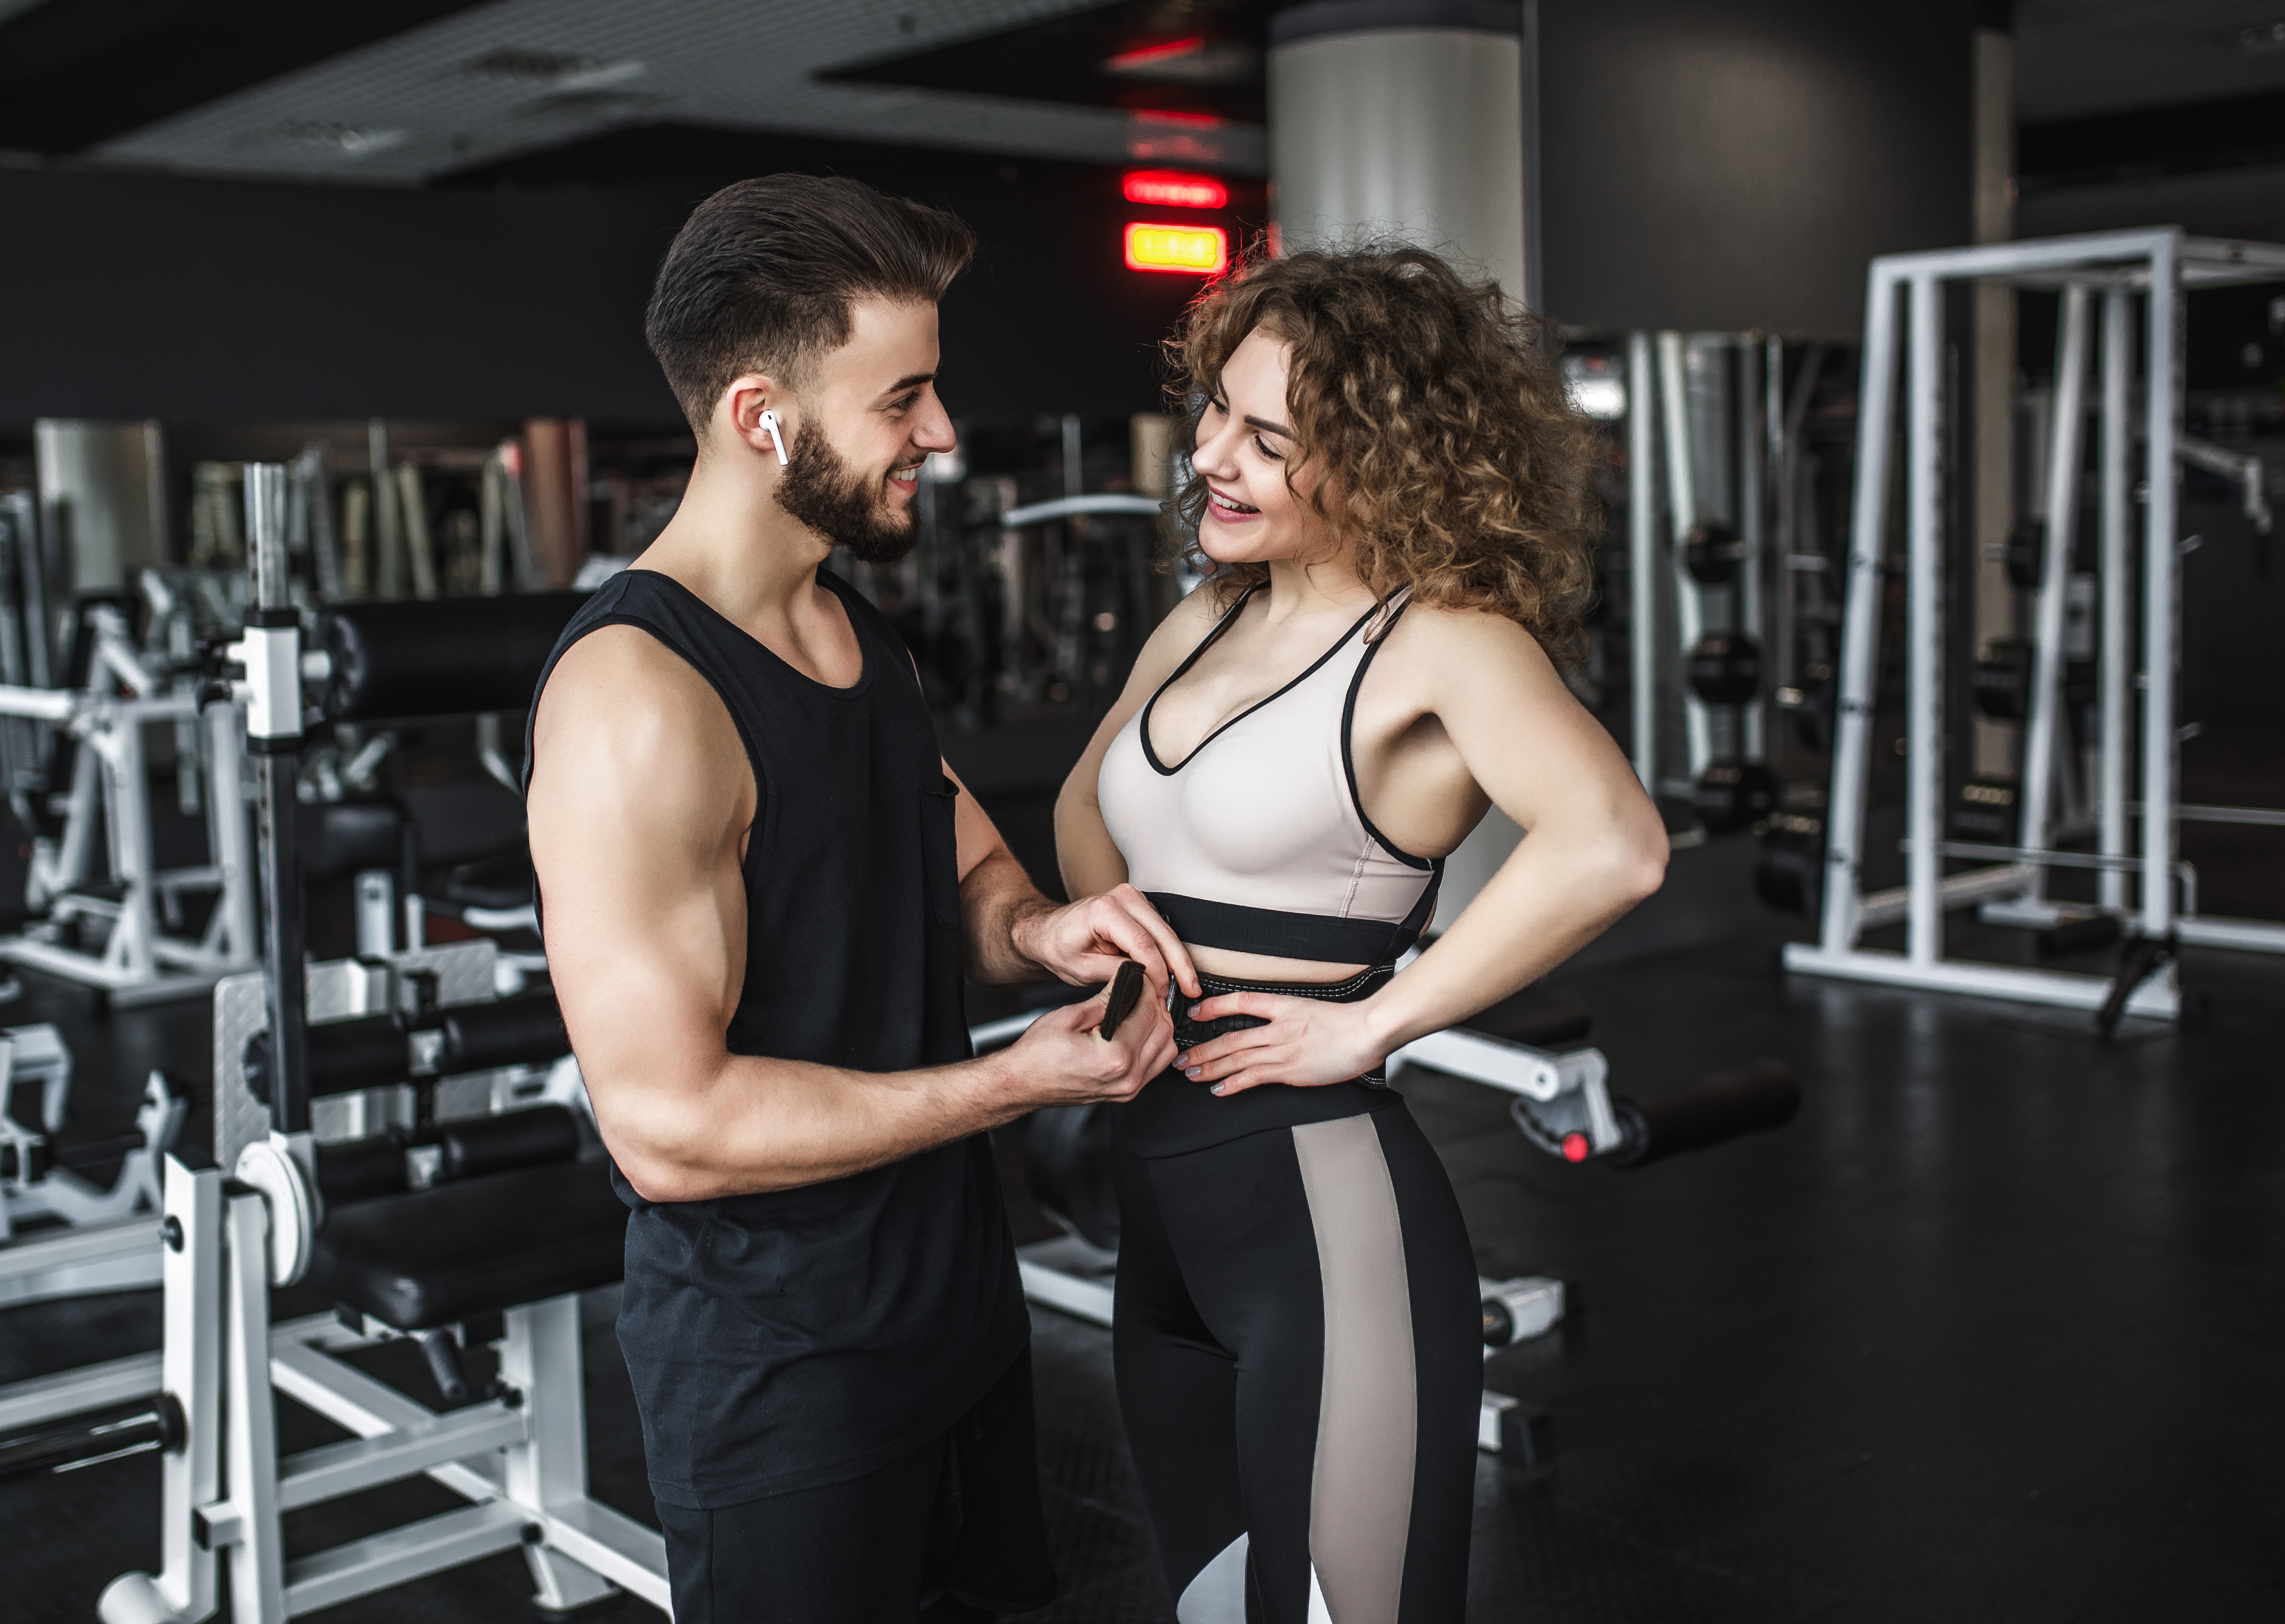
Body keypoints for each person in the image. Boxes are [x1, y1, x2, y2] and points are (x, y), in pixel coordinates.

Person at [526, 175, 1190, 1623]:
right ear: (763, 413)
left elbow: (951, 857)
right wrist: (1010, 1082)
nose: (942, 434)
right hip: (783, 1378)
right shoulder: (639, 697)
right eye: (905, 399)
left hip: (951, 1318)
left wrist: (1034, 929)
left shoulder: (848, 624)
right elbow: (672, 1126)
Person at [1053, 244, 1670, 1623]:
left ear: (1387, 457)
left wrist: (1377, 1020)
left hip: (1323, 1233)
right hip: (1158, 1220)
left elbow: (1616, 843)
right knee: (1216, 1610)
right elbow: (1083, 805)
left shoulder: (1444, 643)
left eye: (1269, 439)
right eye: (1216, 411)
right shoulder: (1205, 618)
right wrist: (1115, 959)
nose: (1213, 454)